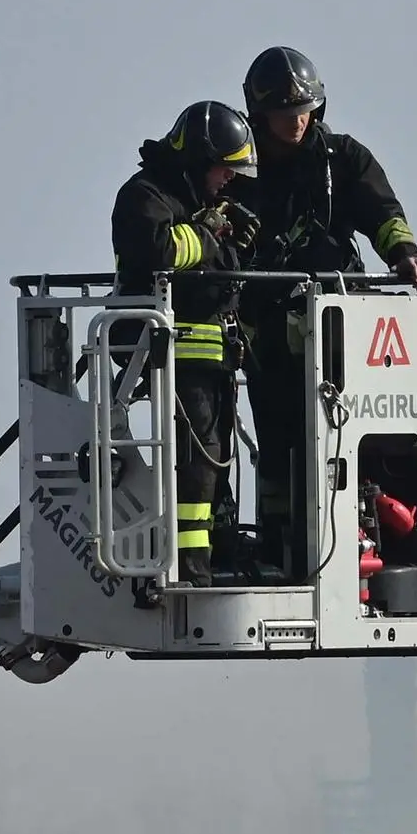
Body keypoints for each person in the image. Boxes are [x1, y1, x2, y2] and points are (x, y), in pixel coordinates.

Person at [233, 45, 417, 577]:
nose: (293, 123)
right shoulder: (238, 170)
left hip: (342, 328)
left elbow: (384, 213)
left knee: (353, 434)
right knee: (277, 441)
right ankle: (279, 545)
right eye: (280, 114)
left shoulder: (343, 159)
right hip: (269, 332)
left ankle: (365, 529)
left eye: (301, 112)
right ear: (259, 114)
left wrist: (404, 252)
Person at [111, 100, 258, 583]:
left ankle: (221, 550)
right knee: (198, 461)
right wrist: (209, 234)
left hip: (209, 354)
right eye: (224, 168)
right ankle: (193, 566)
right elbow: (160, 252)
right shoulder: (144, 196)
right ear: (198, 159)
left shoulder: (200, 202)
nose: (229, 179)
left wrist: (236, 239)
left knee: (217, 459)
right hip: (167, 353)